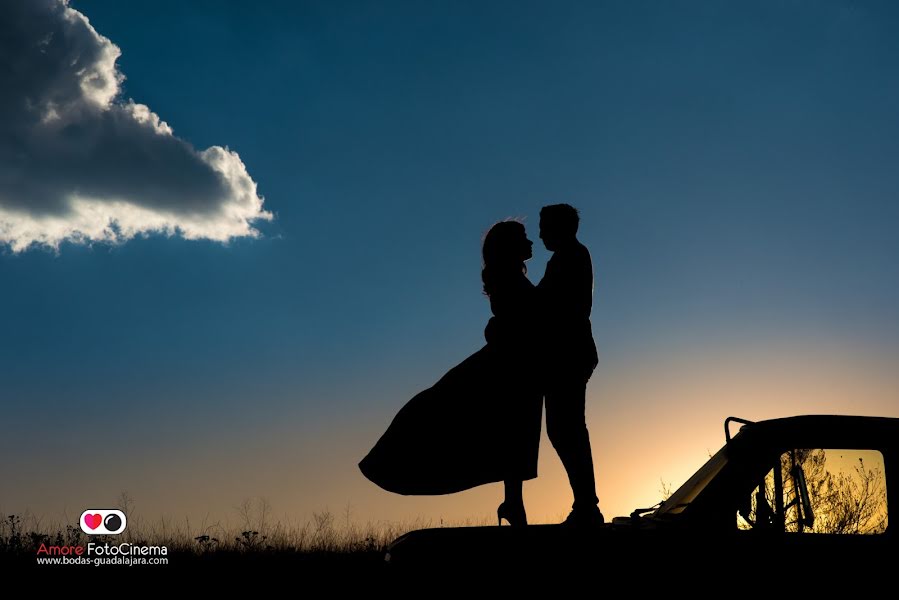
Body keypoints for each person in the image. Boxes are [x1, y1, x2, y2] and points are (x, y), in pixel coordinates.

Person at [359, 221, 542, 526]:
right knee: (499, 427)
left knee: (514, 434)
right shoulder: (507, 276)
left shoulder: (513, 276)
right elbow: (518, 319)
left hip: (519, 365)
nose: (531, 241)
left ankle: (513, 502)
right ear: (510, 245)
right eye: (524, 237)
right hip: (506, 365)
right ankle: (513, 503)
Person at [537, 204, 604, 525]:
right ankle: (586, 504)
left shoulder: (572, 256)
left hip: (569, 354)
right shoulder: (565, 257)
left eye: (544, 226)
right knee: (564, 429)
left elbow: (554, 306)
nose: (539, 234)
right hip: (567, 354)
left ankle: (587, 506)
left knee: (567, 428)